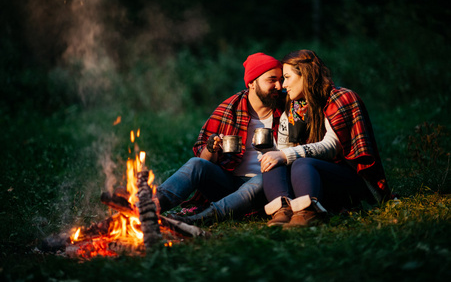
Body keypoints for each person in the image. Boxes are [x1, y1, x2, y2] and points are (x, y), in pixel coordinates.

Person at [259, 49, 391, 228]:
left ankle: (309, 211)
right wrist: (274, 156)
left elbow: (330, 146)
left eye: (287, 77)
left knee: (302, 163)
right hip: (309, 178)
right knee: (273, 162)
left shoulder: (340, 98)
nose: (283, 85)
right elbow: (284, 148)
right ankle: (283, 210)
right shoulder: (295, 107)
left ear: (305, 75)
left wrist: (285, 155)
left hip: (347, 178)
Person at [154, 52, 285, 225]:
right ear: (252, 83)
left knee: (264, 176)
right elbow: (205, 161)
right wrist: (211, 148)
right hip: (228, 184)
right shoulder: (229, 109)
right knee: (196, 164)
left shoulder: (287, 109)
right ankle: (151, 205)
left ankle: (204, 218)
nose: (279, 85)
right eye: (272, 80)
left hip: (268, 187)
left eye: (281, 80)